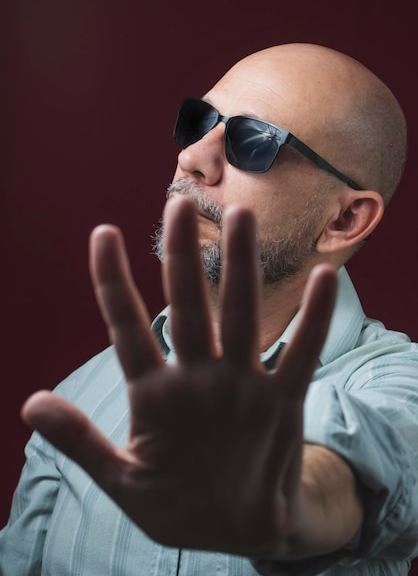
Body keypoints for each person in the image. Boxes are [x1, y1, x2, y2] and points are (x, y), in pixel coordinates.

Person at [1, 43, 418, 576]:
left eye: (252, 142)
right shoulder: (80, 397)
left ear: (344, 220)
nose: (192, 158)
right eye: (199, 122)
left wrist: (287, 497)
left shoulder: (396, 386)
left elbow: (374, 467)